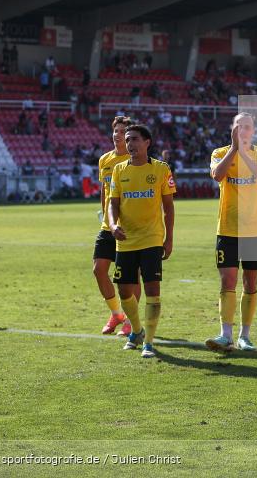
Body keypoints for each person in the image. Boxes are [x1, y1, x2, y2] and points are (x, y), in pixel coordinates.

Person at [205, 113, 257, 352]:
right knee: (228, 280)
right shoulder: (219, 153)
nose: (243, 130)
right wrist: (235, 150)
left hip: (255, 228)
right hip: (228, 228)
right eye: (239, 126)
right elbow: (217, 175)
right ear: (232, 129)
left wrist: (244, 153)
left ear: (253, 130)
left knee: (250, 282)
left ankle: (245, 335)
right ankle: (225, 334)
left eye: (247, 126)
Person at [108, 124, 176, 359]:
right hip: (126, 239)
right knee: (124, 289)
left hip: (152, 238)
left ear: (147, 142)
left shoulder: (161, 169)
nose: (130, 144)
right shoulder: (119, 170)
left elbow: (169, 207)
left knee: (152, 289)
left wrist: (169, 239)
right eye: (127, 140)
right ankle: (136, 330)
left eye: (134, 139)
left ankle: (148, 342)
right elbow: (113, 203)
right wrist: (113, 225)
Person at [93, 116, 133, 336]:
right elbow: (104, 191)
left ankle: (131, 320)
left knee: (128, 277)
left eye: (122, 131)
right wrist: (106, 217)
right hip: (108, 226)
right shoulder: (105, 160)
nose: (118, 135)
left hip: (128, 227)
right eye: (116, 131)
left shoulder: (134, 160)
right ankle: (117, 314)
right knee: (99, 270)